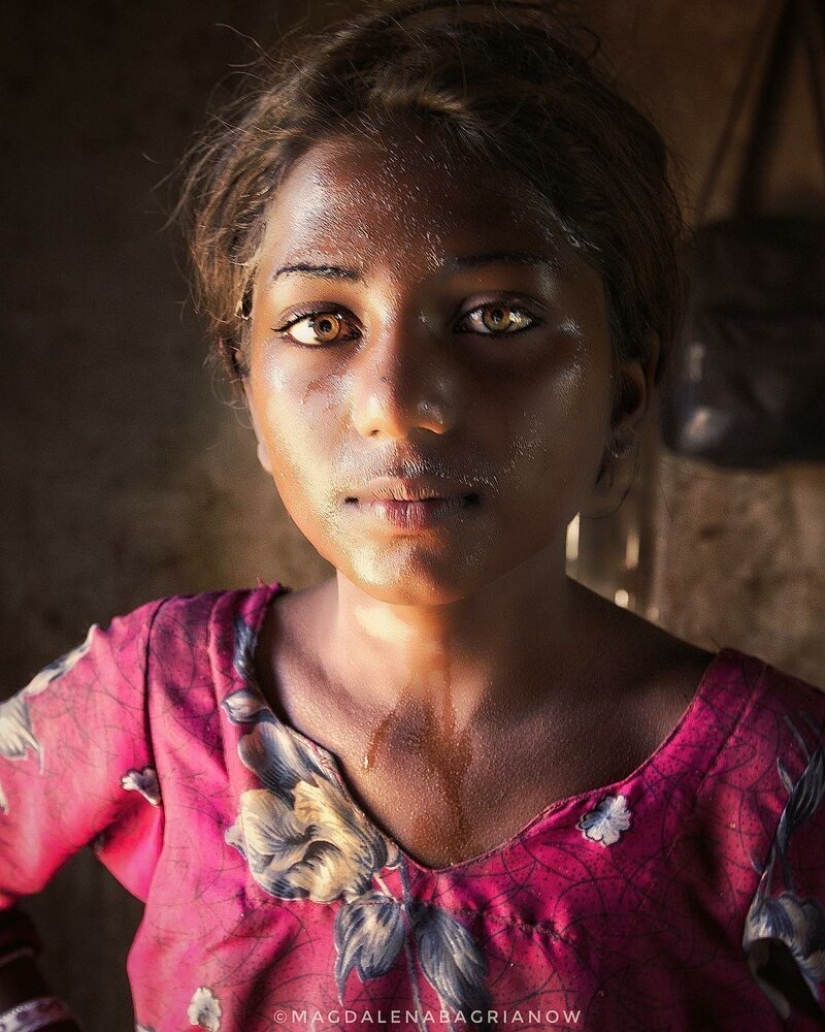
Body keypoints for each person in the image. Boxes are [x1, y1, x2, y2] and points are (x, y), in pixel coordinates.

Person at [1, 2, 824, 1029]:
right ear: (249, 391)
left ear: (623, 395)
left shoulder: (777, 782)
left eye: (499, 317)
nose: (395, 400)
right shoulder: (153, 697)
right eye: (321, 322)